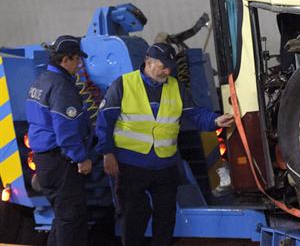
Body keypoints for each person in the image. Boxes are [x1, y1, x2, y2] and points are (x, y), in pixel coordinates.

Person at [95, 42, 234, 246]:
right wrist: (107, 153)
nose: (167, 71)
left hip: (165, 166)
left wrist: (214, 120)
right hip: (131, 166)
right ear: (148, 62)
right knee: (134, 216)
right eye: (163, 67)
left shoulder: (175, 87)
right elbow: (104, 122)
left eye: (170, 67)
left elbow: (194, 113)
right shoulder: (123, 85)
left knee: (166, 218)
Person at [26, 35, 93, 246]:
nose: (79, 64)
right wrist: (81, 158)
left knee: (63, 216)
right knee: (71, 219)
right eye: (77, 59)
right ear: (65, 59)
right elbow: (66, 130)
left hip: (44, 161)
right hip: (61, 162)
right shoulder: (62, 86)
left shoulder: (41, 80)